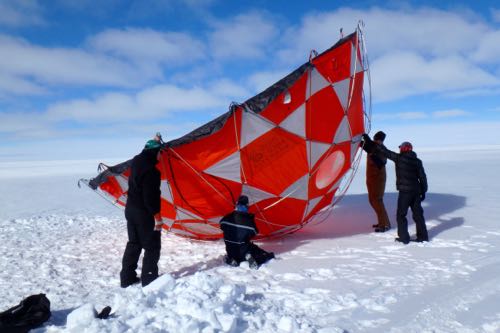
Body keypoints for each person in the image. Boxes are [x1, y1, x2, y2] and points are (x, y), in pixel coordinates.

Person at [362, 134, 428, 244]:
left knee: (401, 215)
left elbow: (384, 151)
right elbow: (422, 177)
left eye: (400, 148)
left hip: (405, 193)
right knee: (418, 215)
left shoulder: (399, 158)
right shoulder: (417, 161)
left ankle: (404, 238)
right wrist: (423, 191)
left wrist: (369, 141)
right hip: (416, 192)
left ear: (403, 149)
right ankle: (423, 237)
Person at [120, 136, 163, 287]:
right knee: (152, 246)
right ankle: (150, 280)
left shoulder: (137, 162)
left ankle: (127, 278)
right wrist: (157, 217)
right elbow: (150, 197)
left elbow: (147, 150)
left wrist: (155, 140)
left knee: (134, 243)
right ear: (154, 153)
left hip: (130, 210)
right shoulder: (152, 172)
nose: (160, 156)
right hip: (144, 214)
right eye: (159, 153)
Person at [219, 195, 275, 268]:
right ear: (247, 205)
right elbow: (255, 232)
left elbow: (221, 225)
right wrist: (250, 219)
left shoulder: (226, 218)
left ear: (237, 204)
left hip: (230, 250)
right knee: (264, 253)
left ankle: (232, 259)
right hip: (243, 250)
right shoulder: (248, 221)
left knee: (234, 247)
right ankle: (255, 259)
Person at [362, 131, 391, 232]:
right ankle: (383, 222)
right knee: (372, 200)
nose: (377, 141)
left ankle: (384, 225)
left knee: (377, 200)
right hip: (371, 177)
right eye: (376, 139)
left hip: (378, 178)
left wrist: (365, 137)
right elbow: (366, 146)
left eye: (378, 139)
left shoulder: (381, 149)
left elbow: (371, 147)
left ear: (381, 141)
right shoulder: (373, 146)